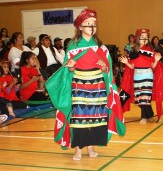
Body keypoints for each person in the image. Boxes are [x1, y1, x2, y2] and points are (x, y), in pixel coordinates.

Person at [45, 9, 125, 161]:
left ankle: (91, 147)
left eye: (94, 24)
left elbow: (107, 70)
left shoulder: (101, 47)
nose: (92, 27)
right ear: (80, 27)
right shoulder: (73, 47)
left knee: (97, 117)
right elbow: (68, 70)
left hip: (98, 86)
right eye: (88, 24)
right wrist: (71, 66)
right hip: (79, 86)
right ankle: (78, 150)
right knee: (79, 117)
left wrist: (104, 67)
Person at [119, 28, 163, 123]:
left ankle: (144, 117)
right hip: (137, 76)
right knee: (138, 98)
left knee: (145, 96)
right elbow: (132, 67)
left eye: (146, 37)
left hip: (147, 76)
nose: (145, 39)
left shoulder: (151, 51)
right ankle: (149, 114)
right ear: (138, 38)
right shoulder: (133, 51)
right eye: (142, 37)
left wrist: (156, 60)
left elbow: (153, 67)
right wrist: (126, 62)